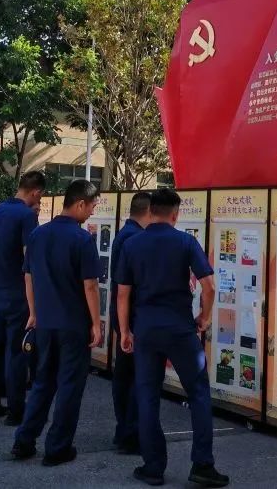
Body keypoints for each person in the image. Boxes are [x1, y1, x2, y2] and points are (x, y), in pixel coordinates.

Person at [117, 188, 228, 487]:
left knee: (147, 395)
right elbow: (210, 286)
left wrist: (125, 330)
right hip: (180, 330)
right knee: (199, 394)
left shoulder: (132, 244)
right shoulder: (186, 242)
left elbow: (123, 294)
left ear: (151, 211)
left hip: (146, 331)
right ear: (175, 214)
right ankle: (202, 465)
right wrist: (204, 317)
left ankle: (153, 467)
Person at [11, 179, 103, 467]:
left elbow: (28, 277)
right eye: (91, 207)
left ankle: (24, 440)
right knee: (69, 387)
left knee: (42, 383)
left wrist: (34, 312)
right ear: (80, 204)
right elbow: (90, 286)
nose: (91, 212)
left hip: (45, 323)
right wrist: (96, 324)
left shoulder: (38, 235)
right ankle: (57, 447)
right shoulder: (82, 239)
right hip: (73, 325)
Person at [0, 171, 46, 424]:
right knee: (17, 351)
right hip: (18, 292)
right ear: (36, 191)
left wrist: (1, 263)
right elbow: (31, 260)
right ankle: (16, 410)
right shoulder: (27, 216)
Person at [108, 191, 152, 453]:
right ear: (148, 212)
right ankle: (130, 433)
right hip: (133, 317)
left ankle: (123, 429)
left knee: (123, 376)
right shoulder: (137, 239)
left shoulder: (123, 234)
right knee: (136, 377)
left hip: (121, 314)